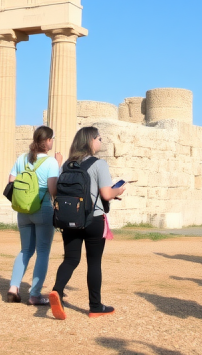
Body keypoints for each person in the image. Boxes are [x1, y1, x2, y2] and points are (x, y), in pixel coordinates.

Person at [48, 127, 125, 320]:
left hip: (70, 218)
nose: (101, 142)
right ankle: (95, 306)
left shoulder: (67, 164)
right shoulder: (99, 165)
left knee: (70, 259)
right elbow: (106, 194)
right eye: (99, 138)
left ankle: (57, 291)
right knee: (94, 263)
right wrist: (119, 191)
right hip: (93, 219)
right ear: (91, 140)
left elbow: (55, 191)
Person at [6, 125, 60, 304]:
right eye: (52, 139)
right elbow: (53, 190)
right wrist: (58, 166)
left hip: (23, 210)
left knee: (25, 250)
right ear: (47, 141)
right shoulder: (51, 162)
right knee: (43, 251)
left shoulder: (21, 159)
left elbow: (11, 183)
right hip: (42, 209)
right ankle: (35, 294)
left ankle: (14, 287)